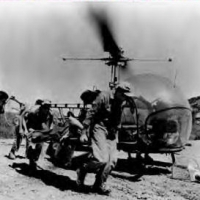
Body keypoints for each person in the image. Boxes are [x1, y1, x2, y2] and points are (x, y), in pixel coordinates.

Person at [76, 82, 134, 195]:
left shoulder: (122, 101)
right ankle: (82, 169)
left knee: (112, 160)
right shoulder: (104, 96)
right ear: (118, 91)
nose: (125, 99)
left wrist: (116, 131)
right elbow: (91, 113)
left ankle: (99, 184)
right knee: (101, 159)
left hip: (111, 130)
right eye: (124, 95)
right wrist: (84, 132)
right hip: (99, 127)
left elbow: (118, 117)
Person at [24, 99, 54, 170]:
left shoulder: (50, 114)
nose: (46, 109)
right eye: (45, 107)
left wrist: (46, 133)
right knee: (31, 143)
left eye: (48, 108)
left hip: (40, 126)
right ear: (41, 106)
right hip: (31, 125)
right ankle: (31, 160)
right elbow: (25, 121)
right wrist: (26, 130)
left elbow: (48, 126)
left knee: (40, 144)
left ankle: (35, 159)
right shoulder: (33, 111)